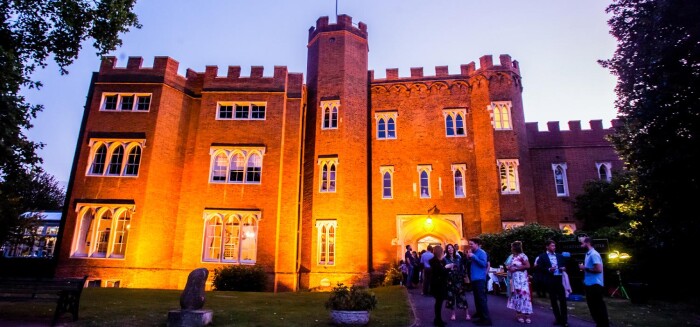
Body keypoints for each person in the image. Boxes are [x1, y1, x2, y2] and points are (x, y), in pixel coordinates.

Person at [535, 240, 569, 327]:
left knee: (563, 300)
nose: (554, 247)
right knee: (553, 300)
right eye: (552, 246)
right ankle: (558, 319)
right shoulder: (542, 257)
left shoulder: (560, 256)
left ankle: (564, 320)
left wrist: (563, 268)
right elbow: (539, 268)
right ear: (547, 247)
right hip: (550, 279)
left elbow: (565, 266)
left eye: (554, 246)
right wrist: (549, 269)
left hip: (559, 278)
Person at [579, 237, 609, 327]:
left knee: (598, 307)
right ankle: (599, 324)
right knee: (593, 308)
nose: (581, 244)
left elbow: (599, 269)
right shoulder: (588, 254)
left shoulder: (594, 254)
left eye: (582, 243)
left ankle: (604, 325)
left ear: (588, 243)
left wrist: (585, 268)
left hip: (595, 285)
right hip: (589, 283)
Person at [506, 241, 533, 324]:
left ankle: (527, 315)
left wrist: (517, 269)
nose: (511, 248)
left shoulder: (523, 256)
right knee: (517, 295)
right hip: (515, 279)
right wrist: (509, 268)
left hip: (522, 279)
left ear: (515, 247)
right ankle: (519, 314)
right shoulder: (513, 257)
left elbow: (528, 265)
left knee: (524, 296)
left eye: (512, 247)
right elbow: (508, 265)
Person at [467, 238, 492, 326]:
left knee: (481, 299)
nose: (470, 245)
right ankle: (479, 314)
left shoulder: (482, 253)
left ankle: (486, 320)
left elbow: (484, 264)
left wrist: (474, 257)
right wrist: (469, 257)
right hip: (474, 278)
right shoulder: (473, 253)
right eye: (469, 244)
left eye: (471, 244)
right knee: (477, 299)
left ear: (477, 244)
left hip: (480, 279)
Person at [443, 244, 470, 321]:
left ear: (454, 249)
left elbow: (462, 268)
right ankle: (453, 314)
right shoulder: (445, 259)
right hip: (450, 280)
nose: (450, 249)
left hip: (458, 280)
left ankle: (467, 314)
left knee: (462, 296)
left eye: (451, 248)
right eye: (448, 248)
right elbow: (443, 270)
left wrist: (464, 276)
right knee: (451, 297)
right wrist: (446, 267)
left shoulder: (458, 258)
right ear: (447, 250)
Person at [429, 245, 450, 327]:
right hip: (437, 285)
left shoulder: (439, 261)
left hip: (439, 283)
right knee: (438, 303)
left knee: (439, 303)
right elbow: (440, 272)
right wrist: (448, 268)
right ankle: (438, 320)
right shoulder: (435, 262)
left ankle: (438, 319)